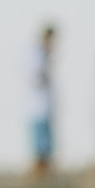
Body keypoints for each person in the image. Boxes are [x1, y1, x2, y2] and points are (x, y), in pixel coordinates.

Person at [28, 21, 60, 175]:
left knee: (47, 148)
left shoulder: (44, 55)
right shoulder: (36, 54)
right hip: (38, 108)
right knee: (41, 150)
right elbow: (36, 79)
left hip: (45, 108)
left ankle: (44, 177)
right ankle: (37, 177)